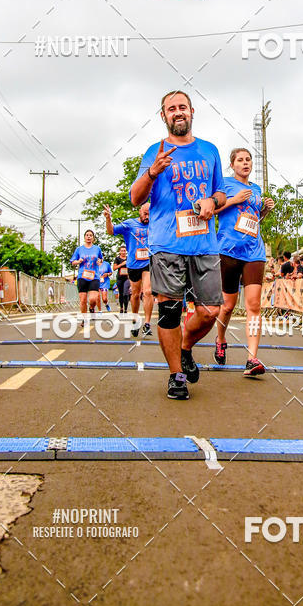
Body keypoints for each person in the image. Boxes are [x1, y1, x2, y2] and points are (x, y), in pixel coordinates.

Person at [130, 90, 226, 400]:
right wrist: (153, 171)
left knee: (211, 310)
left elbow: (221, 193)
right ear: (163, 116)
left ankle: (185, 346)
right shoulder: (154, 152)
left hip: (204, 244)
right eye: (171, 109)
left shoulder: (209, 150)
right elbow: (135, 198)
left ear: (192, 111)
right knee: (169, 311)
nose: (177, 112)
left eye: (182, 106)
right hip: (167, 244)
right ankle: (177, 375)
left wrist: (212, 200)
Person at [214, 147, 274, 375]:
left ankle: (252, 358)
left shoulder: (256, 189)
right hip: (228, 249)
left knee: (254, 306)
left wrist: (265, 211)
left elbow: (254, 219)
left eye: (248, 159)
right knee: (228, 306)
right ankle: (220, 340)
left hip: (254, 251)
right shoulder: (225, 184)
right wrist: (234, 200)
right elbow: (215, 209)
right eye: (240, 160)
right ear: (233, 165)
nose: (245, 163)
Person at [104, 203, 153, 336]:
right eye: (145, 214)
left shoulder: (155, 223)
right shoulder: (130, 224)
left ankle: (147, 324)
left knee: (148, 291)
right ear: (139, 212)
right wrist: (108, 218)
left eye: (149, 213)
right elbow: (111, 231)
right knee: (135, 294)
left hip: (149, 262)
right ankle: (135, 319)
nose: (147, 217)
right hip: (133, 264)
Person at [70, 229, 103, 317]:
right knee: (83, 300)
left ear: (93, 238)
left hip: (94, 277)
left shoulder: (97, 249)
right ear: (84, 237)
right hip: (82, 276)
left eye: (90, 235)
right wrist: (78, 261)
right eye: (87, 235)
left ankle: (92, 308)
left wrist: (100, 261)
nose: (89, 237)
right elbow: (72, 261)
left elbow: (101, 259)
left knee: (93, 299)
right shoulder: (79, 249)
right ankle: (84, 319)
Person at [112, 244, 129, 313]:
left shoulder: (129, 258)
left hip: (127, 278)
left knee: (126, 293)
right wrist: (122, 264)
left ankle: (126, 309)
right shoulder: (117, 259)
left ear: (126, 251)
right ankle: (121, 307)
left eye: (124, 251)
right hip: (119, 278)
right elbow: (114, 268)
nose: (123, 252)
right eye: (122, 251)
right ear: (120, 252)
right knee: (121, 294)